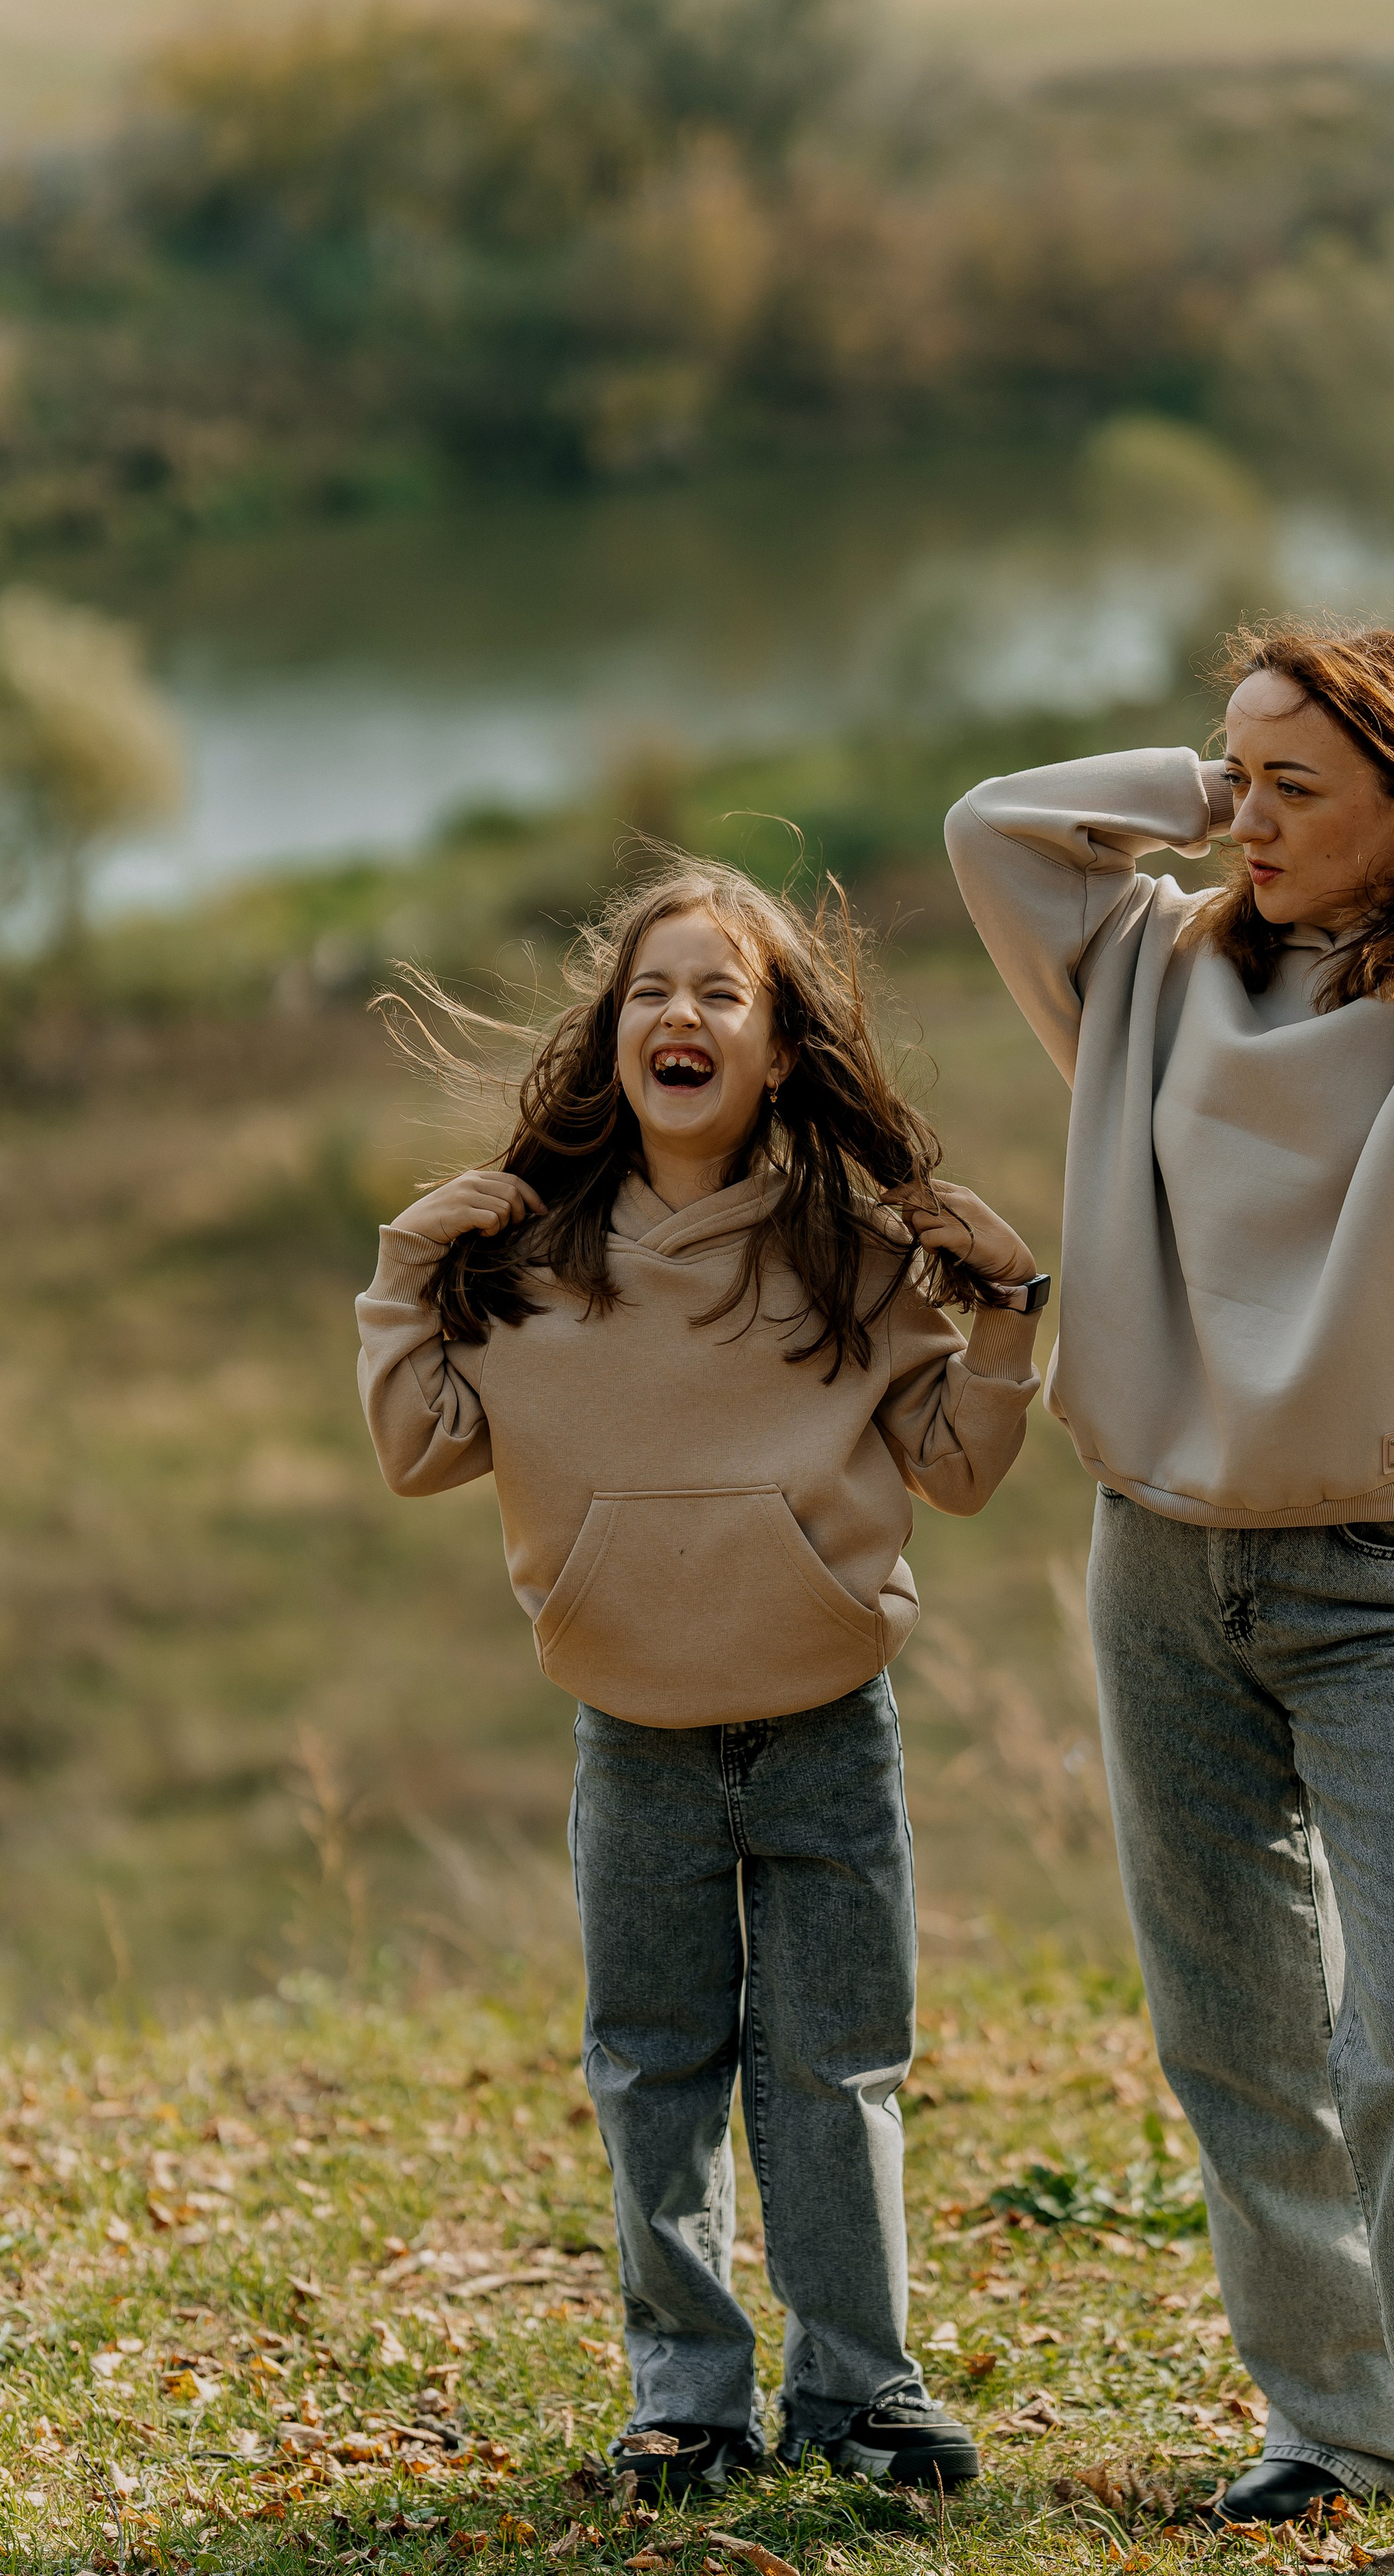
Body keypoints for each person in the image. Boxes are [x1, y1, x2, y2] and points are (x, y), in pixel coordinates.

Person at [945, 622, 1394, 2576]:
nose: (1241, 821)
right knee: (1237, 2036)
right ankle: (1337, 2425)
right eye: (1227, 785)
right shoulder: (1150, 973)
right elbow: (991, 830)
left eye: (1294, 793)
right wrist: (1243, 772)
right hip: (1156, 1558)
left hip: (1391, 1582)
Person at [354, 853, 1049, 2496]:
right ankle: (686, 2398)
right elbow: (416, 1449)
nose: (681, 1014)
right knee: (653, 2070)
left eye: (719, 992)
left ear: (777, 1047)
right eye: (651, 990)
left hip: (825, 1728)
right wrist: (400, 1274)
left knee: (835, 2065)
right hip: (635, 1737)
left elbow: (953, 1469)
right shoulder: (529, 1262)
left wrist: (1009, 1310)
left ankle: (859, 2393)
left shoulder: (850, 1253)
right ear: (612, 1039)